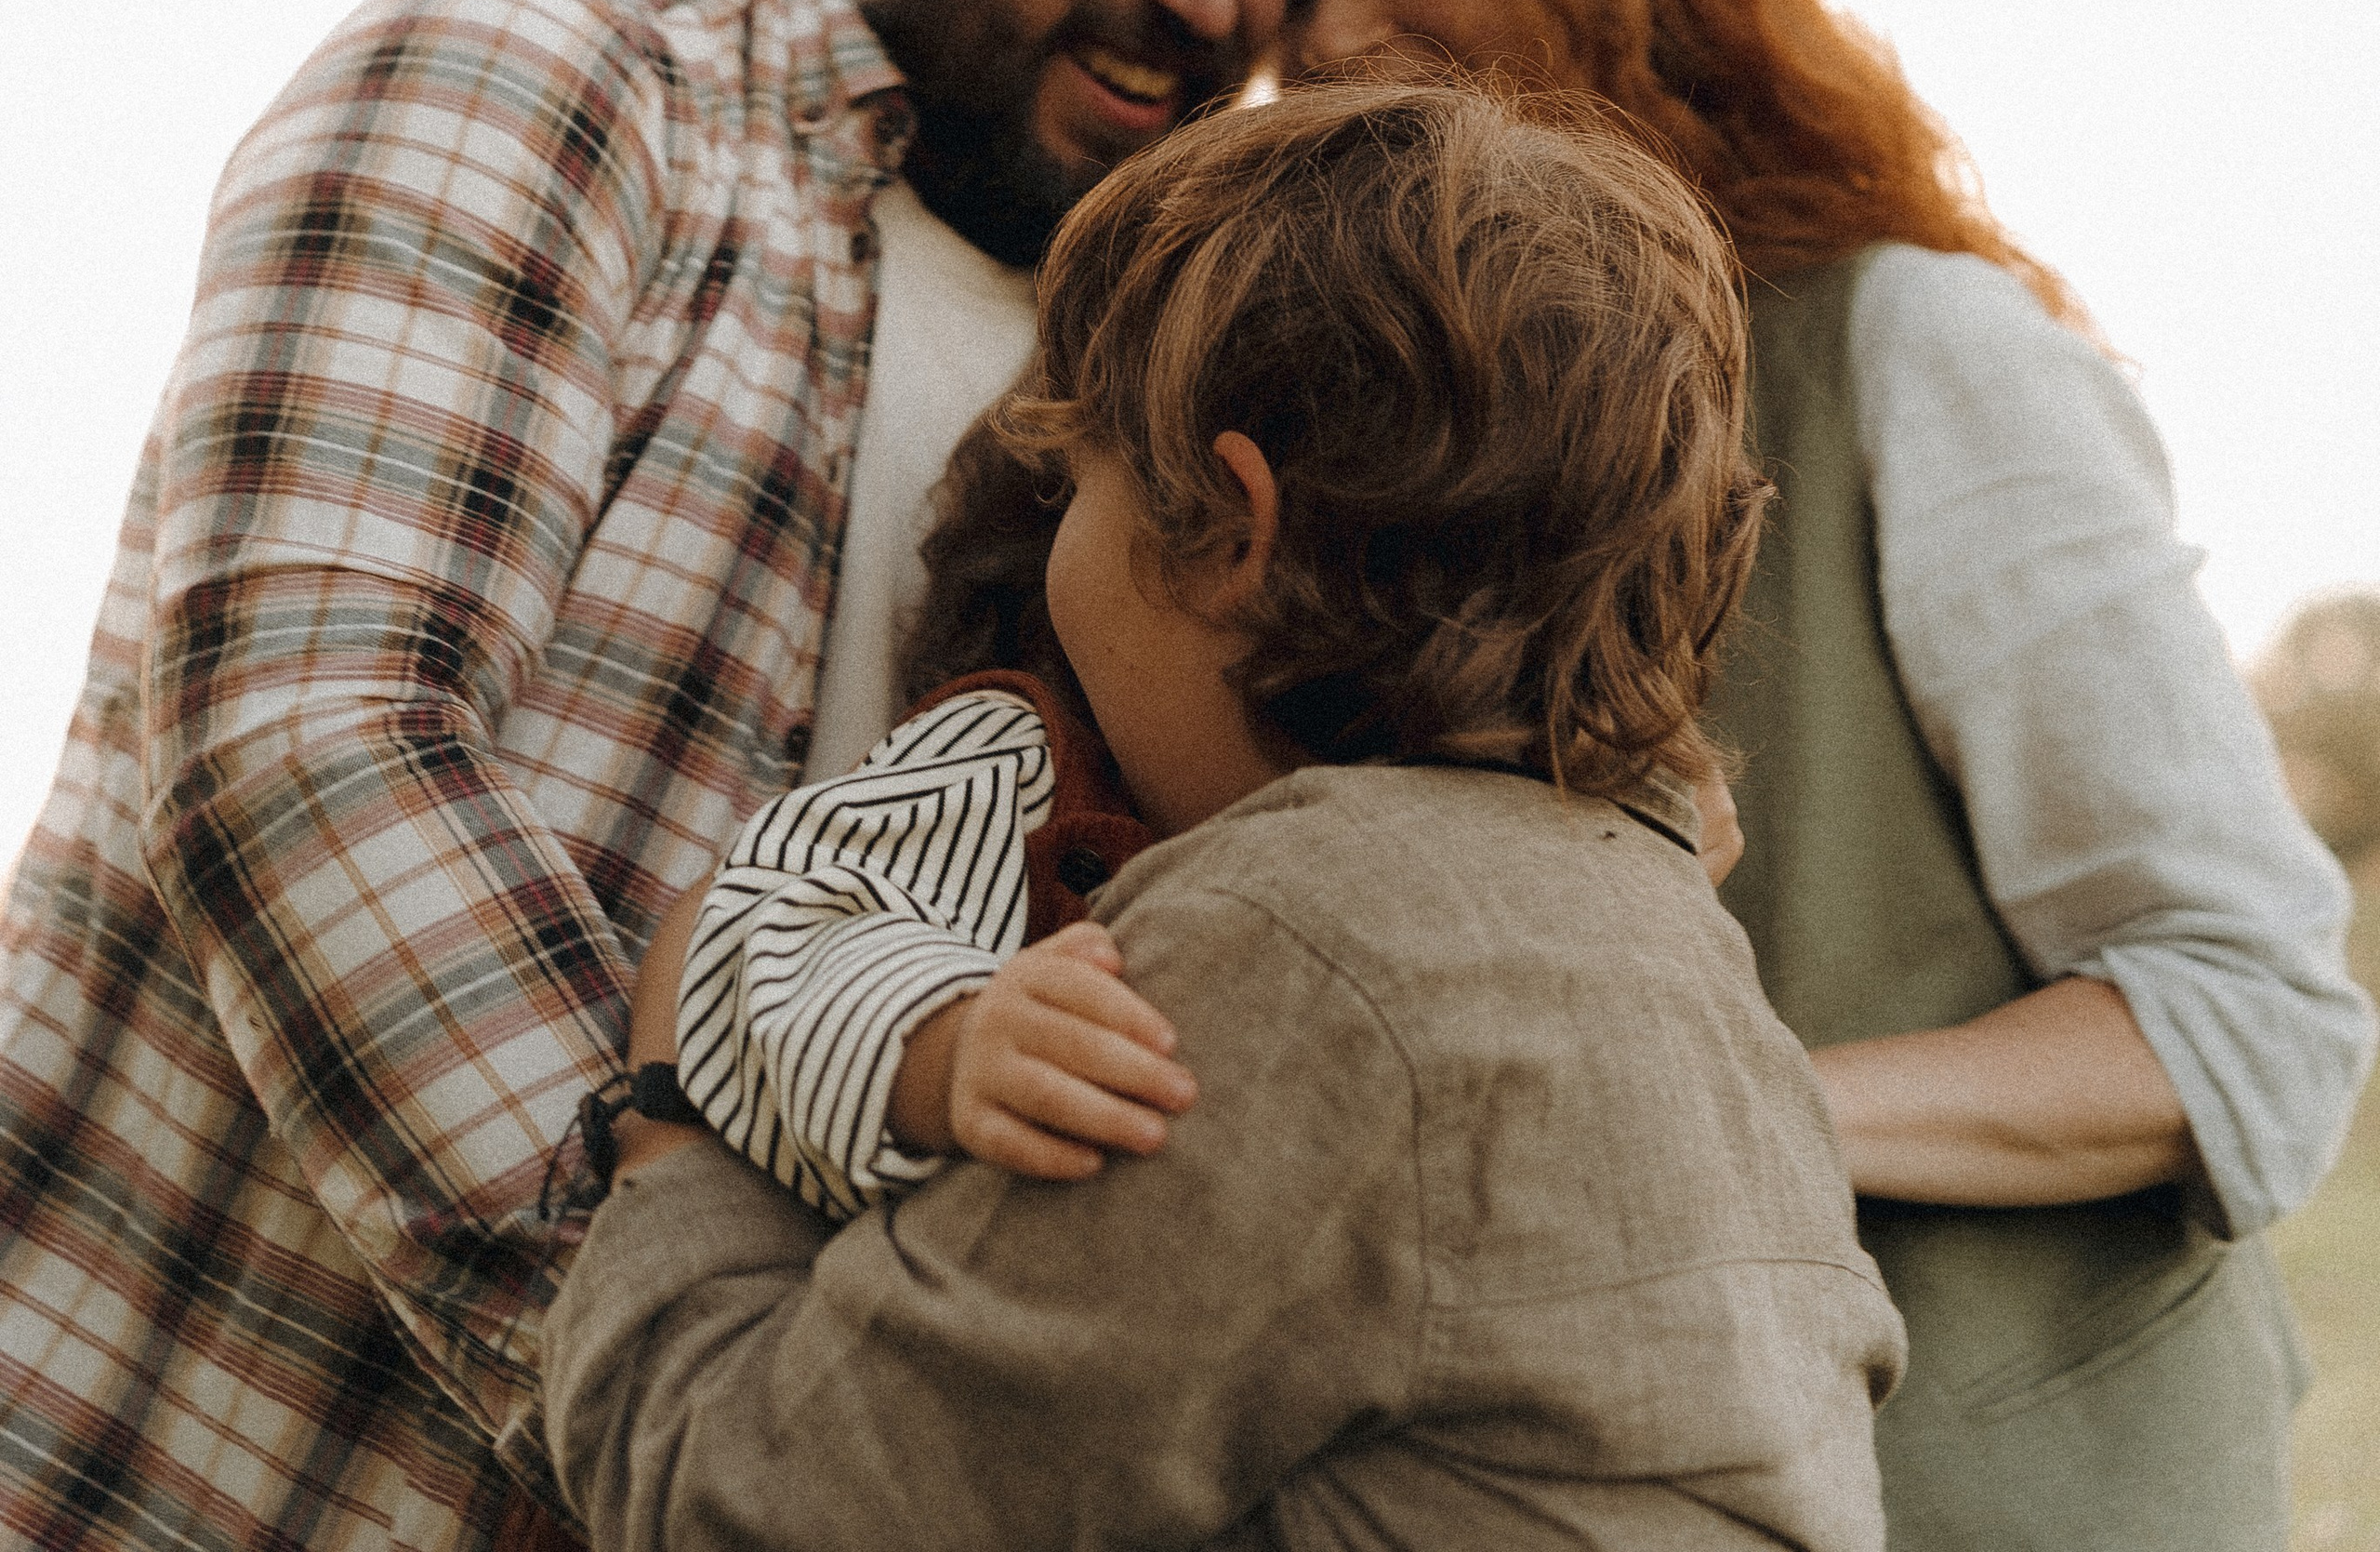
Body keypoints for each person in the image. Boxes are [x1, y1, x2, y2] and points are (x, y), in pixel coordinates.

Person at [0, 0, 1334, 1552]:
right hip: (202, 1466)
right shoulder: (552, 77)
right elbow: (310, 734)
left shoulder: (1155, 382)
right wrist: (675, 1391)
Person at [1270, 0, 2373, 1552]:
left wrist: (1682, 1106)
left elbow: (2241, 1016)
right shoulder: (1371, 458)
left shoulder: (1912, 350)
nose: (1332, 28)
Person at [541, 81, 1906, 1552]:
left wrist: (671, 1125)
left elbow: (751, 1511)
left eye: (1083, 478)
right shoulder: (1693, 974)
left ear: (1233, 527)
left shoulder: (1306, 944)